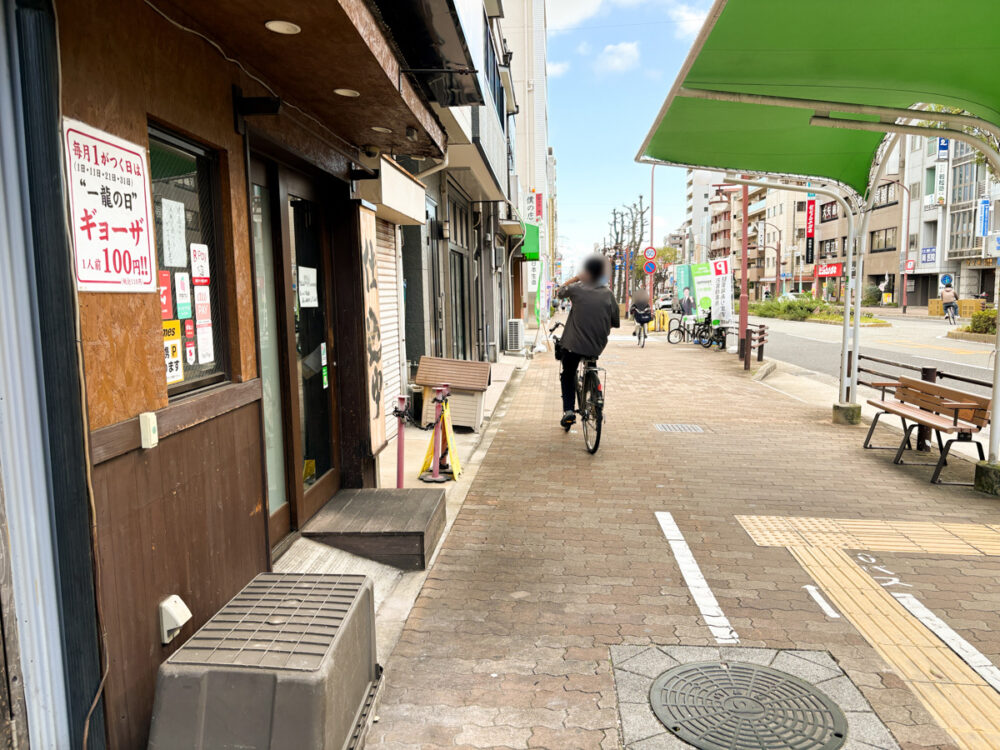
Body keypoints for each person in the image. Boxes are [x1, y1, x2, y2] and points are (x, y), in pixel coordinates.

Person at [554, 255, 620, 428]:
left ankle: (569, 410)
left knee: (567, 374)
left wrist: (576, 278)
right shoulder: (608, 294)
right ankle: (592, 396)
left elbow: (559, 292)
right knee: (590, 362)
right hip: (597, 345)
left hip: (574, 345)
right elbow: (615, 322)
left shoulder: (577, 288)